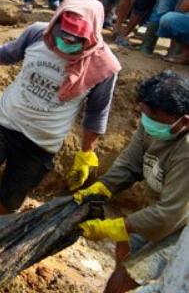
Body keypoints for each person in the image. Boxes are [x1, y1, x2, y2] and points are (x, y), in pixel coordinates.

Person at [0, 0, 120, 231]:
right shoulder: (38, 34)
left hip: (40, 143)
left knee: (10, 201)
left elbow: (96, 114)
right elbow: (5, 54)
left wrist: (85, 156)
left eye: (76, 40)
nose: (66, 42)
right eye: (63, 35)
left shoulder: (104, 66)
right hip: (2, 123)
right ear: (57, 21)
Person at [74, 71, 189, 293]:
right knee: (125, 247)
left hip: (182, 227)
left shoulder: (186, 152)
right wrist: (103, 187)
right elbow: (130, 163)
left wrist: (112, 227)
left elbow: (169, 215)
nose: (146, 122)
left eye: (153, 118)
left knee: (129, 275)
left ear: (184, 121)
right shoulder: (154, 125)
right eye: (144, 115)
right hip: (165, 209)